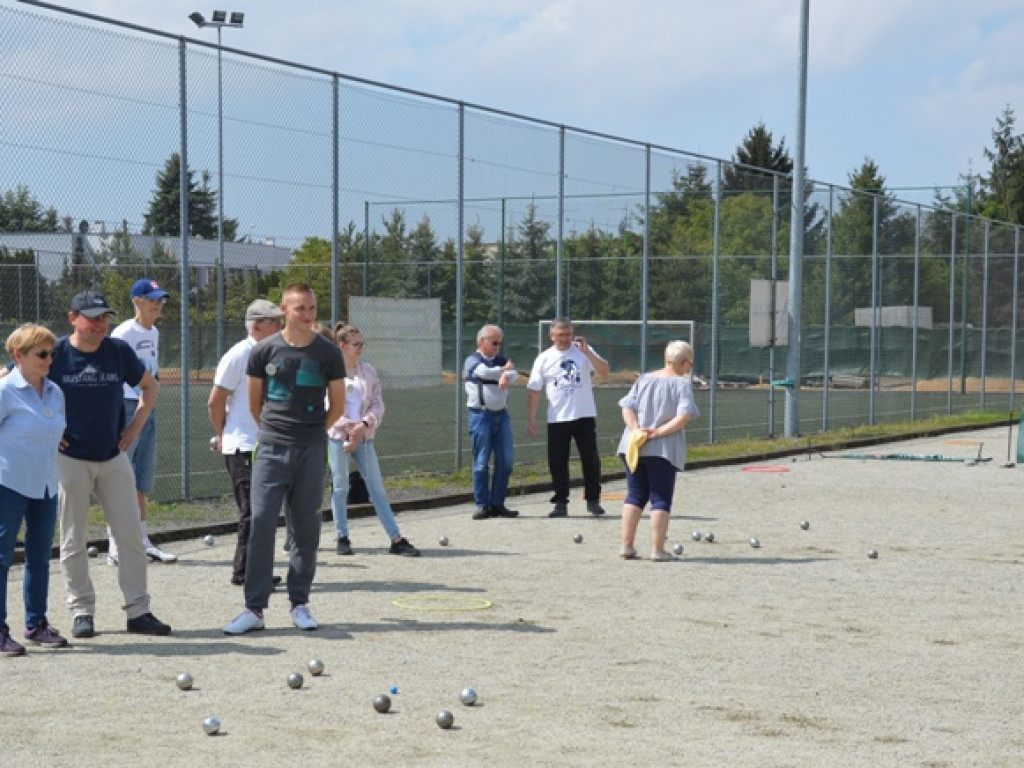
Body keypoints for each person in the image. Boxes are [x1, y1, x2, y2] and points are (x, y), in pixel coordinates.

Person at [223, 283, 346, 635]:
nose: (307, 315)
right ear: (284, 310)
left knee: (305, 528)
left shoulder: (328, 353)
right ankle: (254, 609)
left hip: (312, 448)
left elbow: (337, 406)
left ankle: (299, 603)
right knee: (261, 521)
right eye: (300, 308)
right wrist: (277, 432)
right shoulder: (263, 351)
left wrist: (311, 432)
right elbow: (255, 405)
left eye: (312, 308)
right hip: (271, 447)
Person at [52, 290, 172, 638]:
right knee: (73, 538)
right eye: (92, 318)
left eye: (104, 317)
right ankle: (82, 611)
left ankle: (138, 611)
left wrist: (135, 426)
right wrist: (48, 429)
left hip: (112, 456)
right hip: (70, 458)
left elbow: (150, 386)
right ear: (73, 318)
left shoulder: (118, 351)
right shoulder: (55, 352)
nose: (100, 324)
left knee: (130, 535)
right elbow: (14, 379)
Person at [0, 324, 69, 656]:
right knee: (1, 558)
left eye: (51, 354)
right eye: (42, 354)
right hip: (9, 484)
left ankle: (36, 624)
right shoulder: (5, 390)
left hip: (45, 485)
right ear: (19, 355)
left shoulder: (55, 392)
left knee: (40, 557)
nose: (49, 360)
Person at [208, 299, 285, 586]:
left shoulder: (270, 353)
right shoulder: (240, 354)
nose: (280, 327)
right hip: (242, 446)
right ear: (256, 326)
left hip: (264, 443)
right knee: (253, 512)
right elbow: (215, 401)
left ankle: (254, 570)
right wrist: (223, 435)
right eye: (274, 322)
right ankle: (245, 573)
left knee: (264, 511)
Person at [327, 324, 420, 556]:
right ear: (342, 346)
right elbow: (327, 405)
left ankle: (396, 539)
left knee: (377, 488)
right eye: (355, 344)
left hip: (364, 438)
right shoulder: (330, 372)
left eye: (362, 344)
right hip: (338, 438)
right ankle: (342, 536)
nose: (360, 348)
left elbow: (378, 403)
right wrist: (350, 429)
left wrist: (364, 425)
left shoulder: (368, 371)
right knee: (340, 487)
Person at [108, 277, 177, 565]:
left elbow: (152, 374)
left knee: (140, 480)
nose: (158, 304)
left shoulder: (155, 332)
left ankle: (142, 540)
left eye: (161, 300)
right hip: (126, 408)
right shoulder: (124, 332)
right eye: (152, 299)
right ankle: (115, 545)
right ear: (137, 301)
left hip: (147, 408)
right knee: (120, 477)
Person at [616, 340, 699, 562]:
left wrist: (636, 429)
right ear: (684, 363)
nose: (689, 368)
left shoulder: (643, 379)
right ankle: (657, 550)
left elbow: (627, 407)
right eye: (690, 364)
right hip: (662, 450)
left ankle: (626, 546)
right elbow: (683, 416)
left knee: (634, 495)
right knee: (660, 498)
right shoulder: (681, 384)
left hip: (634, 445)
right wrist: (658, 432)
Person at [526, 318, 610, 518]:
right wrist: (531, 418)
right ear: (551, 336)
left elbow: (605, 372)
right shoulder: (544, 358)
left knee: (590, 459)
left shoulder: (583, 352)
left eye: (568, 334)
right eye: (560, 335)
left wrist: (588, 353)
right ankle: (560, 502)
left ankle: (593, 499)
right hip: (558, 417)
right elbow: (534, 389)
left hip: (584, 414)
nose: (565, 338)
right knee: (557, 461)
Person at [464, 324, 519, 520]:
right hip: (481, 416)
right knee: (481, 463)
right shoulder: (472, 360)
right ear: (482, 341)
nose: (497, 347)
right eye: (494, 343)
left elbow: (515, 374)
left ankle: (497, 504)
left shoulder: (501, 361)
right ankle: (482, 505)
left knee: (506, 461)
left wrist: (506, 375)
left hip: (501, 416)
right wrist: (503, 371)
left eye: (500, 344)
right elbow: (483, 373)